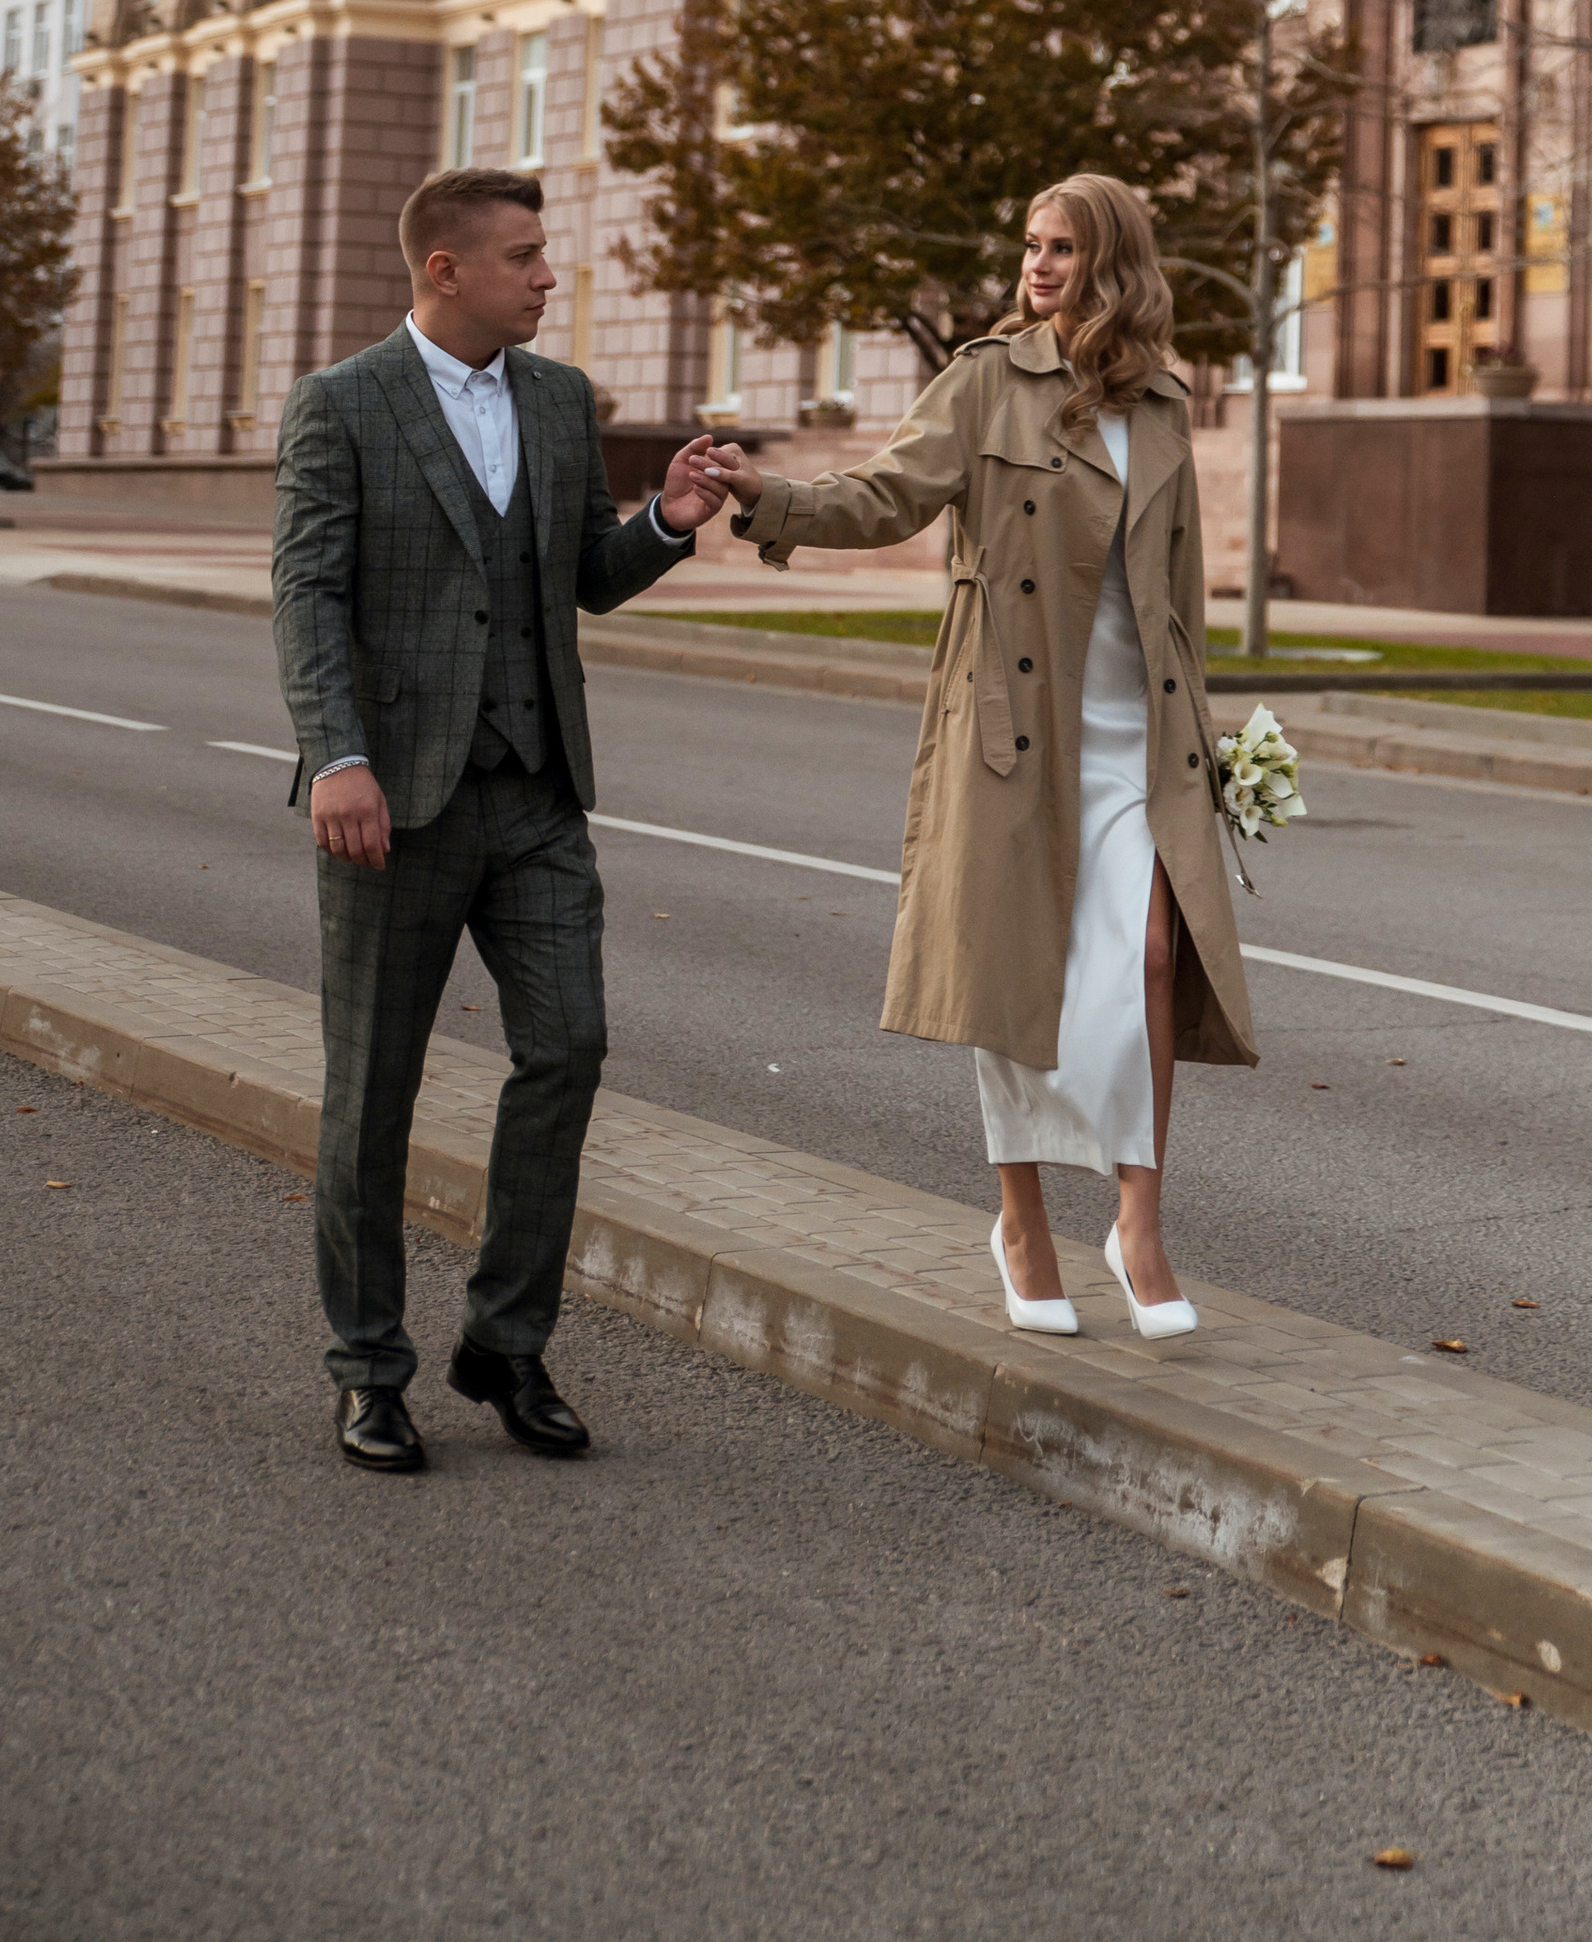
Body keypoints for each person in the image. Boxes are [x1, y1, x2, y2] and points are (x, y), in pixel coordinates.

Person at [706, 171, 1253, 1340]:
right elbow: (883, 494)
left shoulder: (1163, 402)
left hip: (1138, 729)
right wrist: (768, 497)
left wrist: (1206, 742)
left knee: (1151, 959)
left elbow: (1181, 594)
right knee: (1015, 973)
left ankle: (1138, 1222)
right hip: (1015, 723)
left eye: (1062, 247)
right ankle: (1021, 1221)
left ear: (1113, 263)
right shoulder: (987, 379)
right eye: (1030, 245)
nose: (1036, 266)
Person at [273, 166, 733, 1472]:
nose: (547, 274)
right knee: (373, 1095)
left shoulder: (558, 398)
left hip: (534, 794)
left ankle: (504, 1339)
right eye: (525, 254)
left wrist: (665, 522)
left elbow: (584, 571)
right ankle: (369, 1368)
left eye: (544, 253)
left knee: (569, 1048)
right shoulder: (341, 402)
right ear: (446, 269)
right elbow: (308, 594)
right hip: (393, 804)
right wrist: (338, 757)